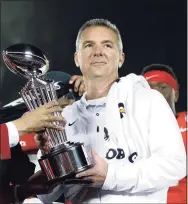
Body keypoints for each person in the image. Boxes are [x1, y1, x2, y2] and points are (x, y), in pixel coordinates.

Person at [35, 19, 186, 204]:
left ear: (121, 57)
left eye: (107, 45)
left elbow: (175, 166)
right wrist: (50, 161)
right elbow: (44, 195)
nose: (98, 52)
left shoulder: (149, 101)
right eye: (89, 45)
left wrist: (110, 176)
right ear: (76, 58)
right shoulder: (63, 118)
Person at [142, 64, 187, 204]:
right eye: (149, 88)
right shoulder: (127, 129)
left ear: (176, 95)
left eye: (162, 87)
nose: (155, 93)